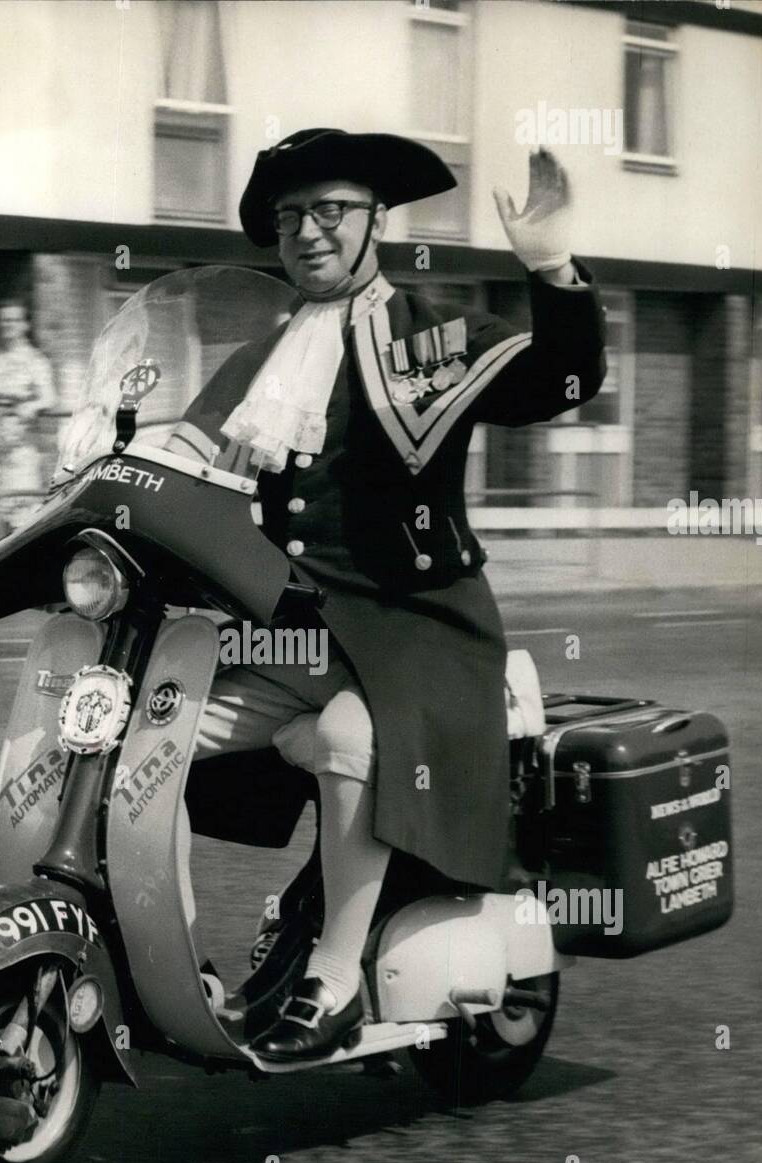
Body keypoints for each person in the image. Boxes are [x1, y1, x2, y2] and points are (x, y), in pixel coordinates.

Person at [180, 129, 606, 1060]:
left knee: (344, 738)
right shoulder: (255, 364)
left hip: (417, 638)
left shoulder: (426, 335)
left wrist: (549, 266)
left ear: (376, 221)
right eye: (290, 217)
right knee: (144, 731)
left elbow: (555, 381)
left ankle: (329, 985)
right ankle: (172, 970)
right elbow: (168, 472)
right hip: (288, 642)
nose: (308, 232)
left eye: (329, 210)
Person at [0, 300, 55, 530]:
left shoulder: (36, 360)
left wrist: (30, 407)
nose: (7, 325)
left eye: (13, 320)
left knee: (20, 511)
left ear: (24, 325)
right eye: (3, 320)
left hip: (19, 444)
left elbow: (50, 397)